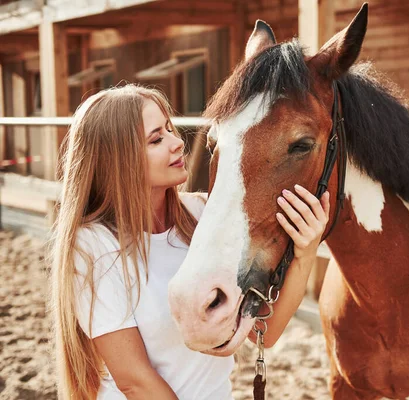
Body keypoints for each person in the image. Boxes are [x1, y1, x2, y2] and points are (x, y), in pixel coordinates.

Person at [49, 84, 329, 399]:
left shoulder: (204, 217)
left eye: (171, 129)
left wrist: (306, 253)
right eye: (156, 139)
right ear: (117, 159)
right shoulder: (94, 246)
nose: (177, 143)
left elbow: (263, 330)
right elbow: (133, 378)